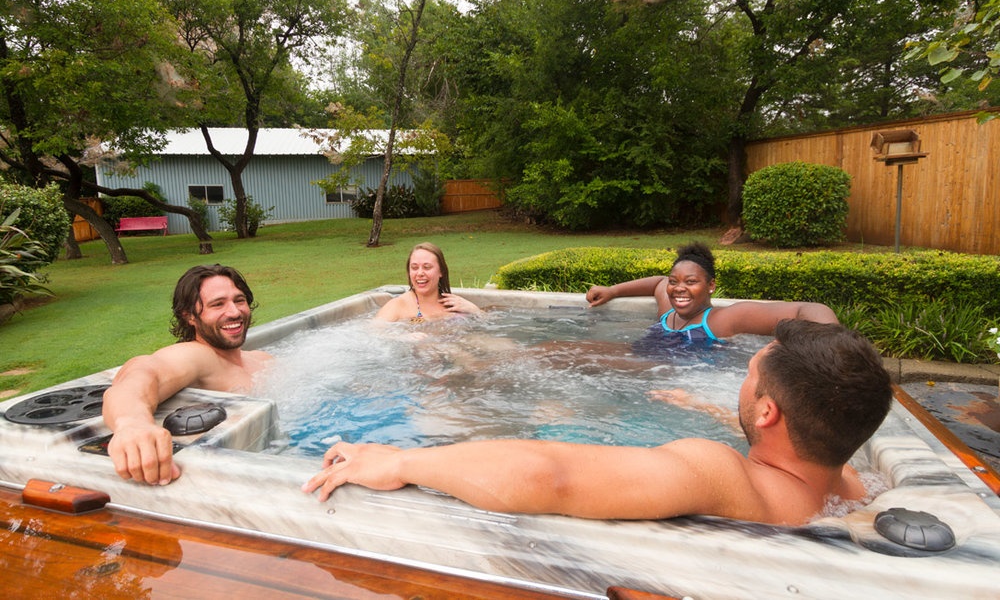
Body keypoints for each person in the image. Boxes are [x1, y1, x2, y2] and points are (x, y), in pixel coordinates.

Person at [302, 320, 893, 527]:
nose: (743, 380)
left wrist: (400, 460)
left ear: (767, 413)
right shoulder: (852, 486)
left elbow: (547, 474)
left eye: (749, 376)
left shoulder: (722, 474)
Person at [102, 264, 272, 485]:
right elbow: (141, 371)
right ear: (190, 316)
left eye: (239, 300)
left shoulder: (263, 359)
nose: (234, 312)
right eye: (218, 304)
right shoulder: (199, 356)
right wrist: (132, 423)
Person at [585, 242, 837, 343]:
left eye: (691, 281)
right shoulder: (667, 312)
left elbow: (809, 309)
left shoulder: (721, 321)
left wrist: (833, 343)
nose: (679, 288)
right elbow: (658, 282)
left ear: (711, 286)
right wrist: (612, 290)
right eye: (676, 281)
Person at [375, 242, 481, 323]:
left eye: (427, 267)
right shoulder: (398, 305)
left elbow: (489, 324)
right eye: (414, 268)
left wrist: (475, 310)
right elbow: (373, 332)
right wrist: (403, 337)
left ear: (441, 271)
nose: (420, 273)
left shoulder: (453, 304)